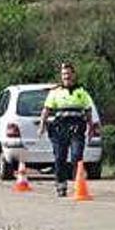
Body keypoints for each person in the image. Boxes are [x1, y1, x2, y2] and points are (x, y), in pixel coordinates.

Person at [38, 62, 94, 197]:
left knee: (76, 156)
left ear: (73, 75)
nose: (66, 76)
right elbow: (46, 110)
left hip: (76, 128)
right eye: (63, 74)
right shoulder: (55, 92)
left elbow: (88, 112)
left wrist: (91, 128)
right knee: (59, 158)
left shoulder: (82, 92)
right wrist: (42, 125)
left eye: (68, 73)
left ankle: (78, 184)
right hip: (60, 128)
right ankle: (61, 185)